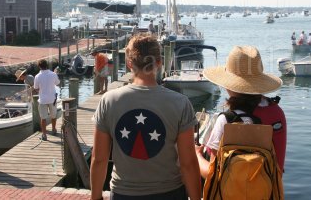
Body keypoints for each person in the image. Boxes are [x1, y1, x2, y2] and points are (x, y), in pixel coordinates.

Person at [91, 34, 201, 200]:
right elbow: (189, 163)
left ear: (129, 64)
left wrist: (95, 197)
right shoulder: (181, 103)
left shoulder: (109, 100)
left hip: (123, 194)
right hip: (169, 193)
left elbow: (99, 159)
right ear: (159, 62)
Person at [195, 46, 287, 179]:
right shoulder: (277, 113)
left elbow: (212, 175)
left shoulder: (227, 120)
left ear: (229, 84)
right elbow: (279, 167)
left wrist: (196, 155)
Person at [33, 59, 60, 141]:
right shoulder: (53, 74)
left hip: (42, 99)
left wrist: (40, 90)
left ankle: (44, 135)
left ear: (39, 67)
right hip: (52, 98)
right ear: (47, 65)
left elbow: (36, 88)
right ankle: (54, 129)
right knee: (53, 115)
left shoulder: (37, 76)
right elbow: (57, 83)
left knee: (43, 118)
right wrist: (56, 74)